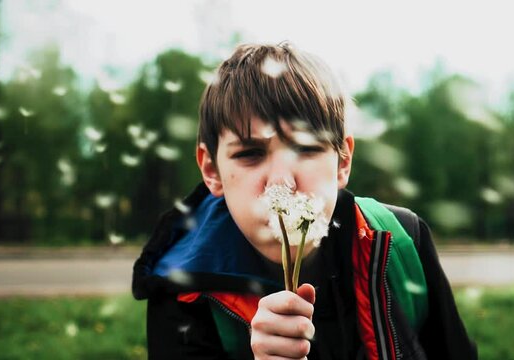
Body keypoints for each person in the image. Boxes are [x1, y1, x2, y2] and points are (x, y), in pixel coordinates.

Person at [132, 42, 477, 360]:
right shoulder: (180, 289)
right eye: (250, 153)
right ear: (212, 171)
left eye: (308, 149)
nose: (282, 181)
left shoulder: (402, 240)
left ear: (343, 162)